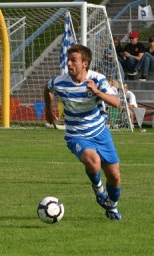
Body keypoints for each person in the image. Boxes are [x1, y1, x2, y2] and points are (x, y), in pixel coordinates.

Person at [44, 44, 122, 220]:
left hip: (100, 133)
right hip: (76, 135)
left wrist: (96, 92)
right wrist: (49, 109)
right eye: (68, 60)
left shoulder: (98, 79)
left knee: (115, 177)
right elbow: (48, 88)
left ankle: (112, 206)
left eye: (74, 61)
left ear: (85, 63)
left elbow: (116, 102)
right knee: (93, 161)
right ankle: (99, 189)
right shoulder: (60, 82)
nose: (69, 64)